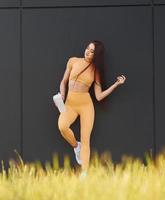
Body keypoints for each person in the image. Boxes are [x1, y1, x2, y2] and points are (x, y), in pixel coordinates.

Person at [55, 40, 126, 179]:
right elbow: (63, 82)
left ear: (96, 55)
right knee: (62, 126)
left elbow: (98, 96)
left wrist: (116, 85)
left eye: (92, 51)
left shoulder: (95, 70)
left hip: (86, 105)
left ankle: (84, 173)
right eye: (88, 48)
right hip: (69, 103)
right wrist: (61, 96)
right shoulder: (73, 61)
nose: (88, 51)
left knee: (86, 139)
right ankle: (76, 147)